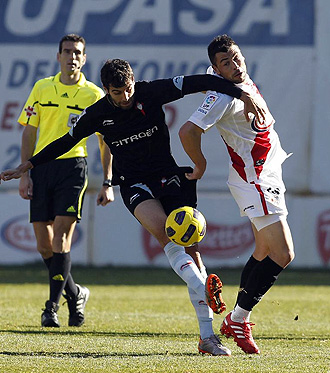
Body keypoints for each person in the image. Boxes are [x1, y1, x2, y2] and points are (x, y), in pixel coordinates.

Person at [1, 58, 265, 354]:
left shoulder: (150, 92)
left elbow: (199, 82)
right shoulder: (98, 114)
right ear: (106, 90)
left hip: (170, 177)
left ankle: (206, 336)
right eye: (117, 92)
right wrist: (28, 165)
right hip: (134, 184)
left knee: (192, 252)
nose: (125, 97)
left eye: (127, 89)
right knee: (168, 237)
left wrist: (243, 94)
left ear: (133, 82)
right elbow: (65, 141)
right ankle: (204, 293)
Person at [179, 35, 295, 354]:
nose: (235, 65)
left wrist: (228, 81)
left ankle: (236, 318)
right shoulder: (223, 96)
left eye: (236, 57)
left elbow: (209, 77)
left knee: (263, 249)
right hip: (255, 178)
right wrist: (199, 165)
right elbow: (188, 131)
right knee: (284, 254)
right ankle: (237, 320)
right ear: (218, 70)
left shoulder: (231, 78)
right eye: (226, 63)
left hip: (266, 172)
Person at [16, 34, 114, 328]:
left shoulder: (94, 95)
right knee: (44, 246)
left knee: (61, 237)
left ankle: (51, 308)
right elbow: (29, 132)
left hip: (73, 168)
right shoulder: (42, 87)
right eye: (67, 51)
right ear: (58, 56)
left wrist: (108, 181)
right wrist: (25, 174)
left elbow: (105, 141)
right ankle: (75, 294)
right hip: (42, 168)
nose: (72, 56)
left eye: (78, 53)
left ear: (84, 59)